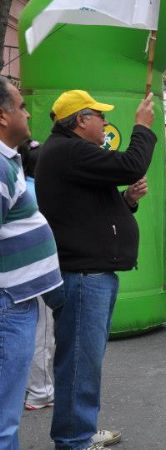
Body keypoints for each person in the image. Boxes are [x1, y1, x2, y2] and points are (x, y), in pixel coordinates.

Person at [36, 90, 154, 450]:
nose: (105, 122)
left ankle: (79, 431)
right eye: (99, 116)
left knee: (83, 360)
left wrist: (127, 201)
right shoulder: (70, 151)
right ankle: (74, 439)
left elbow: (91, 211)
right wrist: (142, 128)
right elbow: (131, 164)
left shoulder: (69, 153)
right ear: (80, 121)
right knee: (79, 364)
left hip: (88, 274)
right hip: (83, 276)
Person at [0, 78, 62, 450]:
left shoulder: (10, 162)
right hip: (9, 302)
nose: (26, 112)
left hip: (17, 299)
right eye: (21, 105)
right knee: (4, 418)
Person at [18, 139, 56, 413]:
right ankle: (40, 392)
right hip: (36, 273)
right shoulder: (38, 192)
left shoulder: (23, 187)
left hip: (19, 275)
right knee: (42, 334)